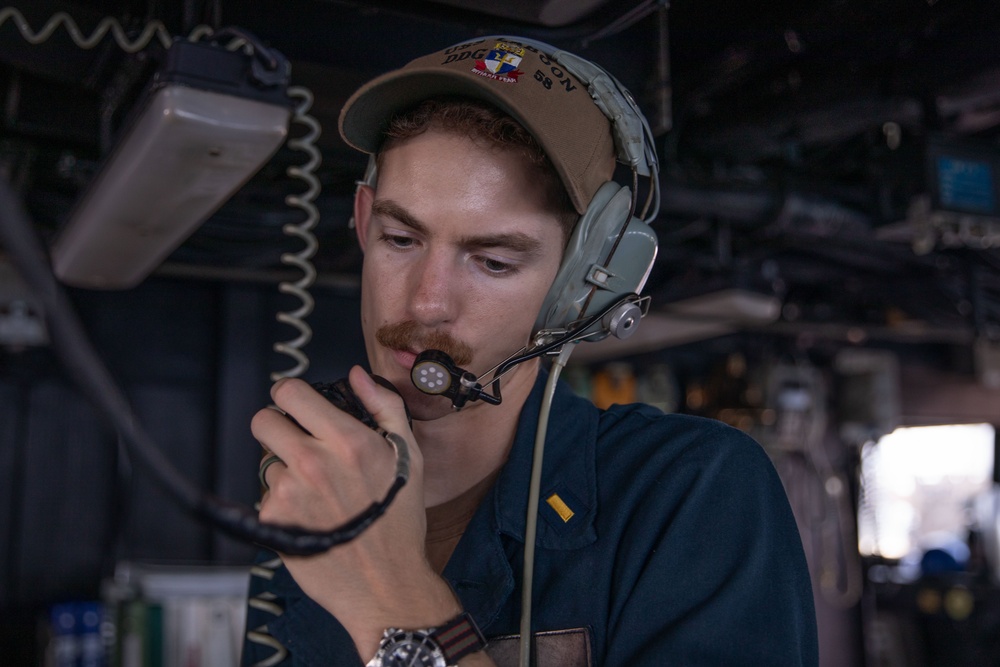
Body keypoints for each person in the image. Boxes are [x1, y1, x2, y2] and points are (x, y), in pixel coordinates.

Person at [243, 35, 818, 667]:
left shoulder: (694, 494)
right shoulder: (311, 494)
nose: (426, 303)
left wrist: (393, 604)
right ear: (362, 219)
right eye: (401, 238)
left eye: (492, 261)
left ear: (586, 280)